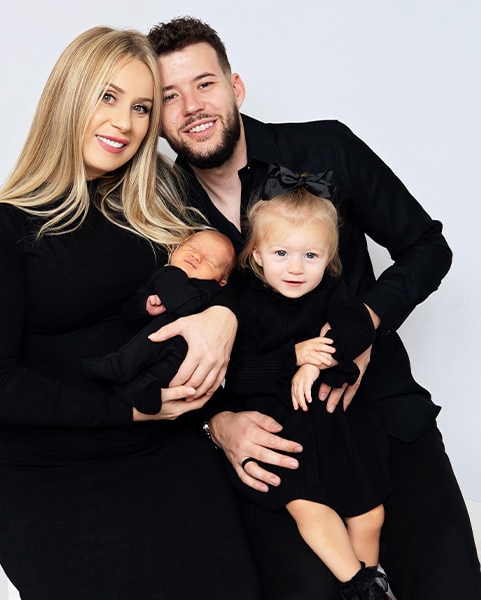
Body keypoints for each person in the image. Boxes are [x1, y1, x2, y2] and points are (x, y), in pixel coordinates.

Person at [147, 16, 481, 600]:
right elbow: (156, 345)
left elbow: (428, 247)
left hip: (379, 411)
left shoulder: (326, 147)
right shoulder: (154, 211)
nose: (191, 106)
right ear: (155, 118)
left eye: (204, 84)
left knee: (449, 584)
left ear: (236, 87)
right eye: (169, 96)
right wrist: (215, 422)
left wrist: (365, 325)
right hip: (275, 445)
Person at [0, 27, 260, 599]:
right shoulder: (6, 226)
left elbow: (232, 275)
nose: (124, 122)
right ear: (68, 97)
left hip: (169, 459)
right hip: (53, 483)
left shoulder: (158, 202)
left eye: (142, 107)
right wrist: (125, 414)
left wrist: (225, 315)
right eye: (108, 96)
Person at [226, 186, 391, 599]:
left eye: (311, 256)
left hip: (339, 427)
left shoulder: (332, 293)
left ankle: (370, 579)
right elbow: (238, 375)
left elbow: (360, 328)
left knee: (370, 514)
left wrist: (315, 363)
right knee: (311, 510)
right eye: (282, 253)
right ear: (258, 255)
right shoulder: (246, 304)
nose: (296, 268)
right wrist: (292, 357)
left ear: (328, 260)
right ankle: (360, 586)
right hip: (287, 430)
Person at [81, 229, 236, 415]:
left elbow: (185, 305)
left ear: (221, 282)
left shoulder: (208, 289)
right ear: (175, 249)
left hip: (182, 357)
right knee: (142, 379)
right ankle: (136, 390)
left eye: (210, 261)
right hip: (148, 352)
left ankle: (121, 368)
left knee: (160, 349)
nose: (196, 257)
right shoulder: (154, 280)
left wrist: (168, 272)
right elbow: (128, 315)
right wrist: (144, 306)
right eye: (192, 248)